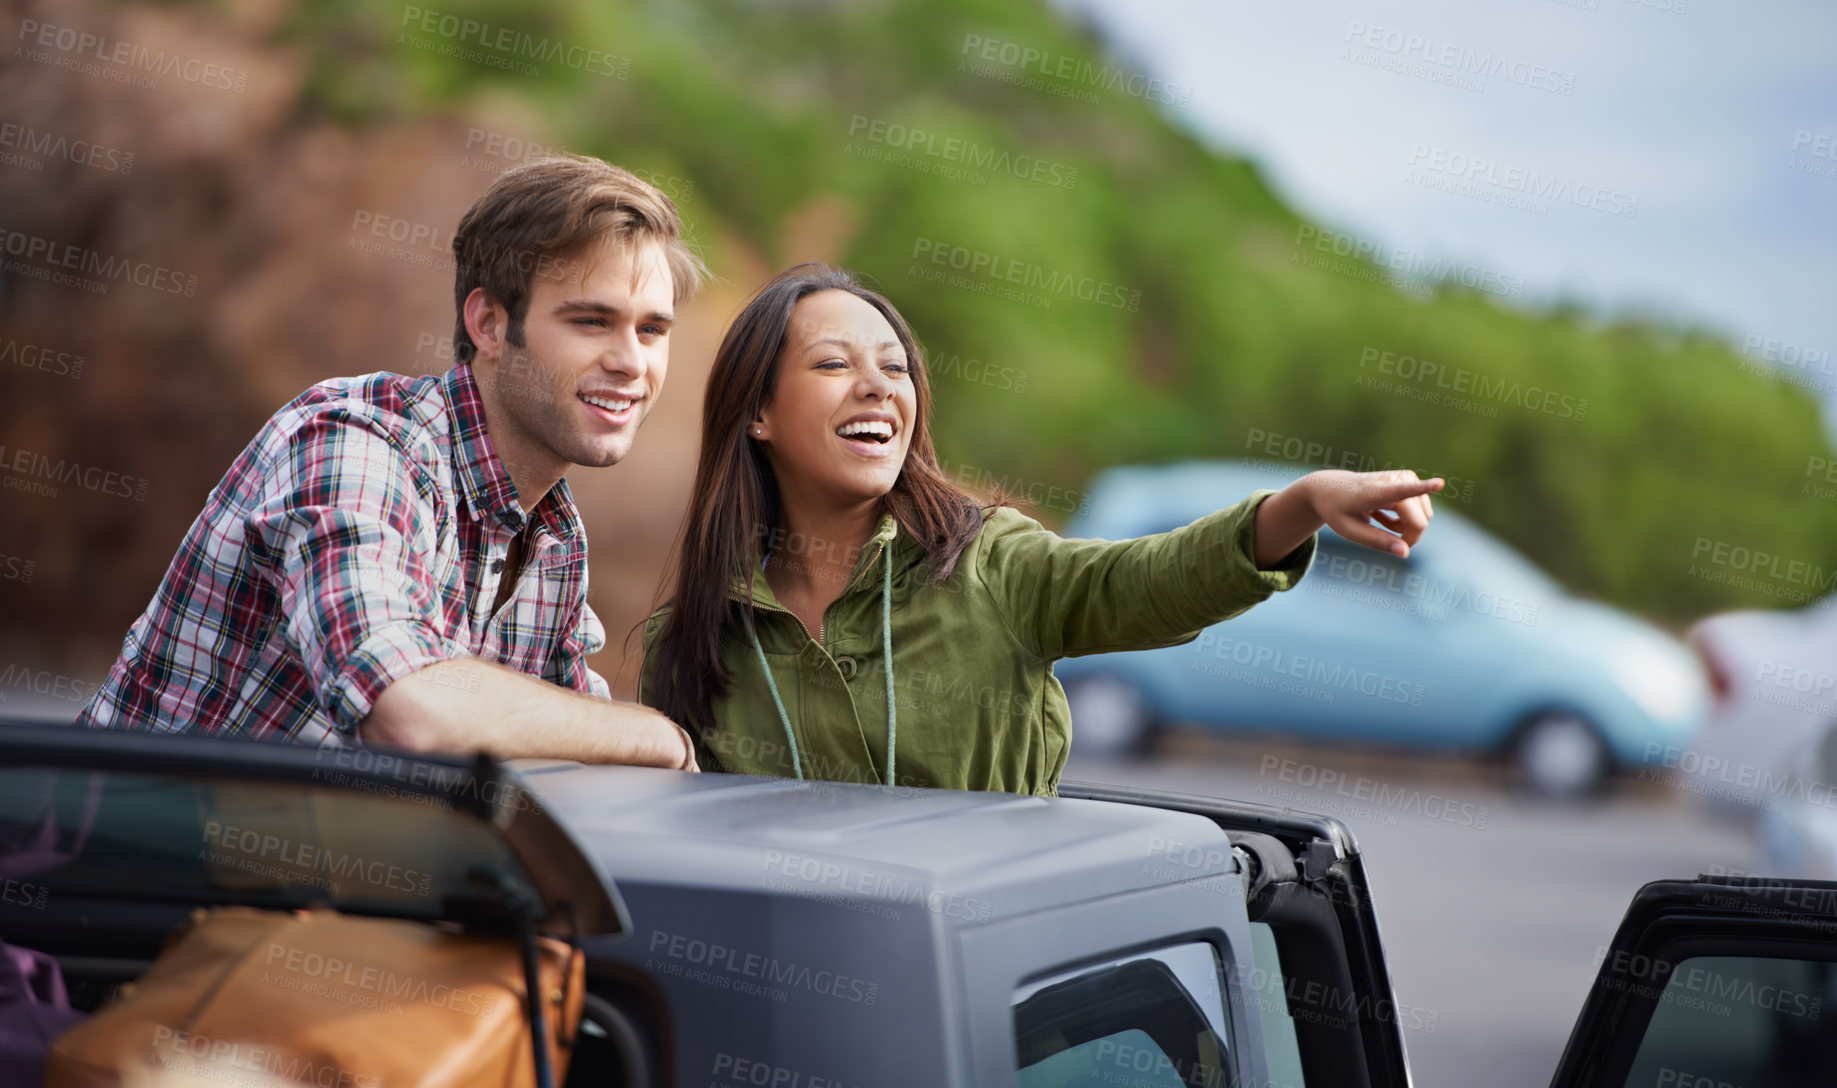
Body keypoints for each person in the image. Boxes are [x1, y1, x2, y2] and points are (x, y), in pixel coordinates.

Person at [641, 264, 1443, 795]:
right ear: (757, 413)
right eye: (832, 365)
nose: (876, 388)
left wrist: (1298, 505)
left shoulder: (990, 563)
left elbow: (1147, 582)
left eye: (894, 367)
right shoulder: (691, 646)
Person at [76, 155, 705, 770]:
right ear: (489, 324)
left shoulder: (551, 533)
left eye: (652, 330)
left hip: (308, 863)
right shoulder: (353, 444)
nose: (631, 361)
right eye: (592, 321)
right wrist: (657, 735)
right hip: (116, 857)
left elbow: (567, 743)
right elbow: (408, 713)